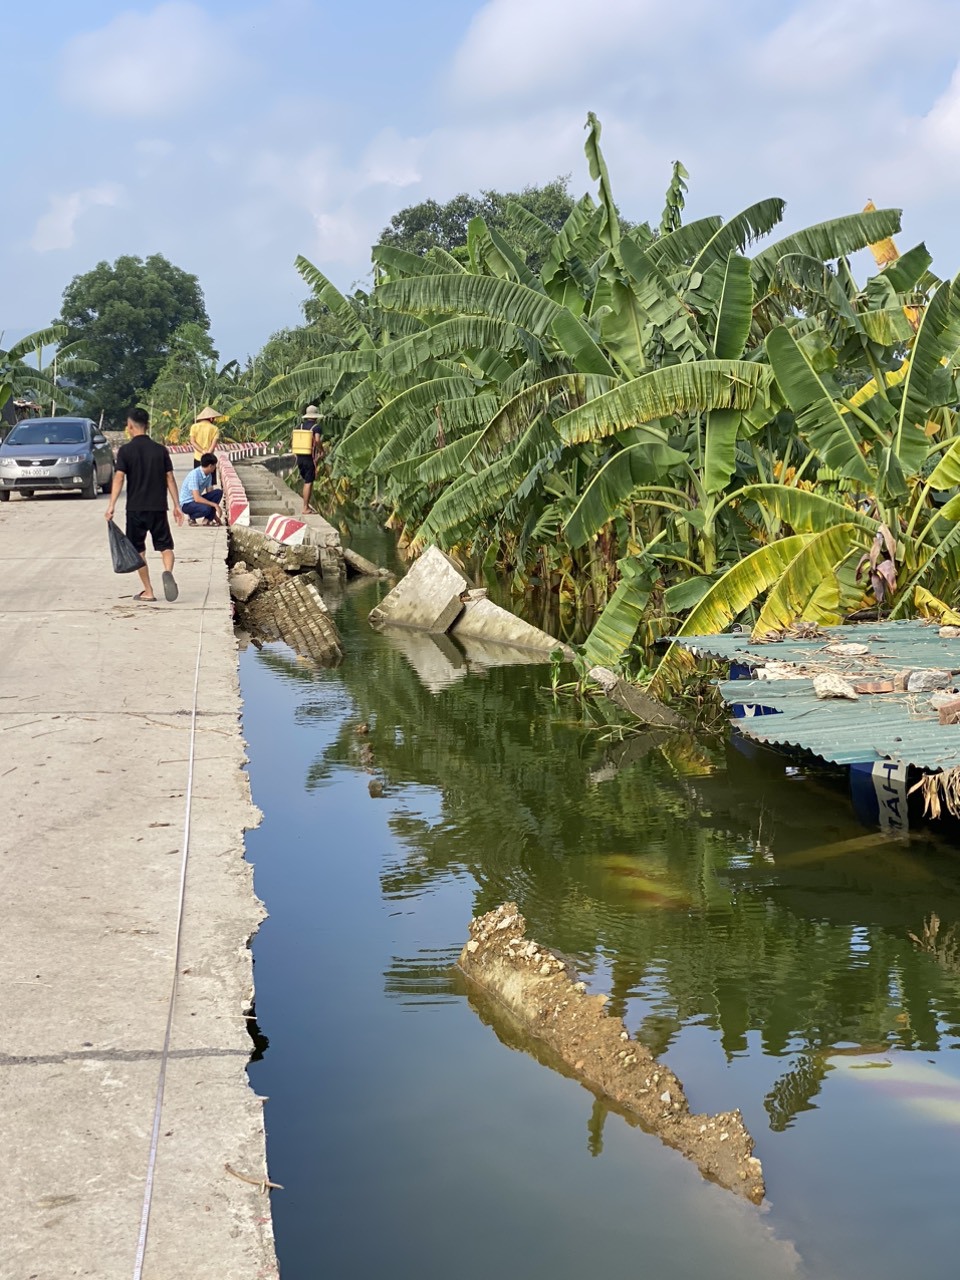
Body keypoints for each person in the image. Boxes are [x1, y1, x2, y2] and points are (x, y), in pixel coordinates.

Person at [106, 407, 184, 603]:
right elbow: (170, 478)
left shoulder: (126, 451)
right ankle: (167, 571)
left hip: (136, 509)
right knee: (165, 546)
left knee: (138, 551)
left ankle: (148, 591)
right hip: (158, 507)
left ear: (130, 426)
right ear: (147, 426)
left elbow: (119, 478)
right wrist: (177, 505)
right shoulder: (160, 450)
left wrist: (111, 505)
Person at [292, 404, 324, 514]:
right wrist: (321, 450)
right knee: (309, 482)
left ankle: (306, 506)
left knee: (306, 480)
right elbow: (317, 440)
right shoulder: (316, 427)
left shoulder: (299, 426)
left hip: (300, 456)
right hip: (309, 458)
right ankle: (305, 507)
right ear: (315, 417)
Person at [179, 453, 223, 525]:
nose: (216, 467)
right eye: (215, 465)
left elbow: (210, 494)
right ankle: (191, 516)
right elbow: (197, 498)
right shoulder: (195, 475)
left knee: (218, 493)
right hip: (187, 503)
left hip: (196, 501)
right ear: (210, 466)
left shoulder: (209, 475)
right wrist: (215, 505)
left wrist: (214, 516)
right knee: (206, 509)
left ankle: (207, 520)